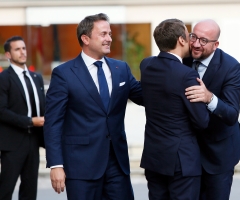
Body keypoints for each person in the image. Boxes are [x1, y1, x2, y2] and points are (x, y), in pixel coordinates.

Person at [43, 13, 143, 200]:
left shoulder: (121, 69)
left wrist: (170, 73)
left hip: (117, 164)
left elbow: (146, 96)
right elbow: (53, 122)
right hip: (81, 167)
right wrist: (56, 164)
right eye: (103, 34)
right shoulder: (64, 74)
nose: (109, 39)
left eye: (110, 34)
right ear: (85, 38)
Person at [139, 19, 210, 200]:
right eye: (189, 37)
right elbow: (201, 121)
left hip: (154, 157)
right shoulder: (186, 75)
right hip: (181, 161)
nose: (192, 41)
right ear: (181, 40)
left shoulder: (146, 65)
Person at [183, 19, 240, 200]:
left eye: (203, 40)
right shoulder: (182, 59)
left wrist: (209, 97)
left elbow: (232, 114)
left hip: (220, 152)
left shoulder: (231, 67)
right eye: (193, 36)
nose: (195, 44)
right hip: (189, 153)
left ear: (215, 44)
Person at [0, 36, 45, 200]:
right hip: (12, 144)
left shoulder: (36, 78)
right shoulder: (3, 79)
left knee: (30, 191)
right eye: (17, 49)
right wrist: (30, 121)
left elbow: (43, 107)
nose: (22, 52)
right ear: (8, 55)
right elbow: (1, 111)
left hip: (33, 142)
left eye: (24, 48)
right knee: (5, 190)